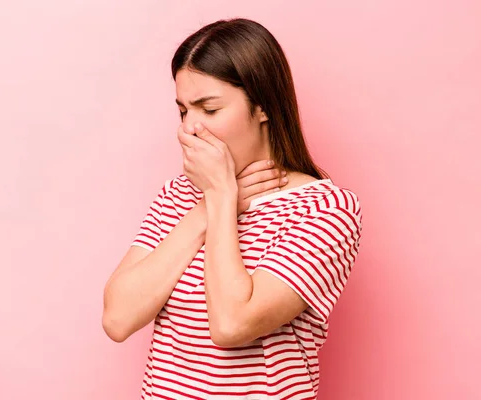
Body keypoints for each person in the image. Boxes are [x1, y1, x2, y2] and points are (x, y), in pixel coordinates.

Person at [102, 17, 363, 400]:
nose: (190, 128)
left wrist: (223, 197)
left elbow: (231, 324)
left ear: (263, 106)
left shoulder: (326, 209)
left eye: (209, 109)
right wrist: (206, 208)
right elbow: (118, 319)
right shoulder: (177, 196)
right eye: (183, 111)